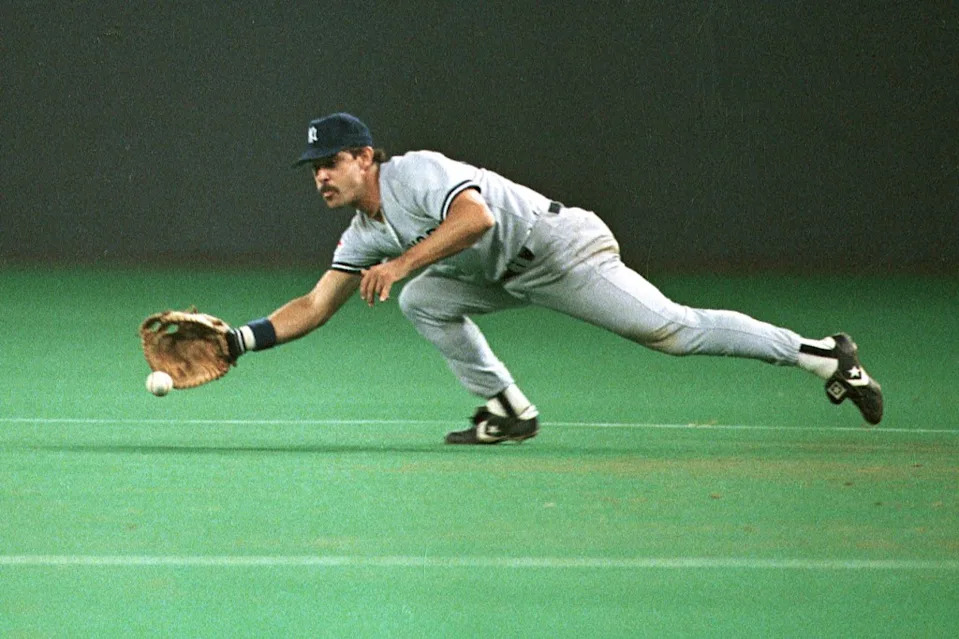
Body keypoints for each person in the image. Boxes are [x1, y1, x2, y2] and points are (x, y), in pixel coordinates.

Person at [225, 112, 883, 444]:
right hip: (504, 274)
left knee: (672, 332)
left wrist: (399, 264)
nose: (321, 175)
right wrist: (239, 341)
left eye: (331, 161)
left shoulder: (415, 172)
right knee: (424, 300)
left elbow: (475, 217)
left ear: (366, 157)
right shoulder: (363, 232)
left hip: (561, 249)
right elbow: (315, 305)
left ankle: (824, 355)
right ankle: (508, 409)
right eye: (314, 167)